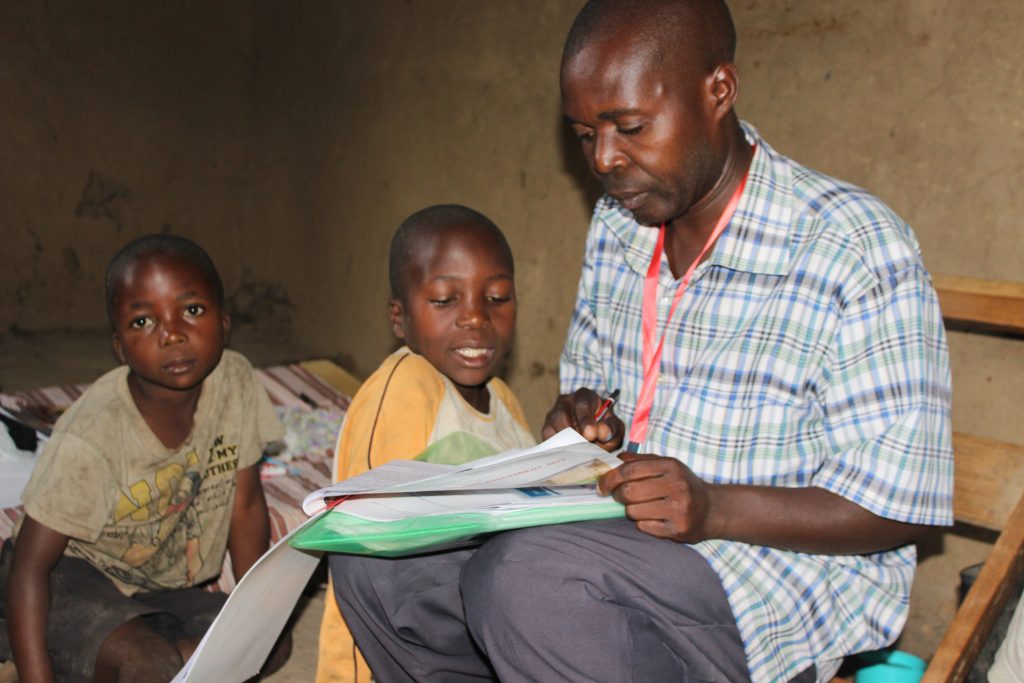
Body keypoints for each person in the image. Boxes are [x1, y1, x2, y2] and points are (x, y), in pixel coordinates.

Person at [328, 1, 954, 681]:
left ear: (719, 90)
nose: (603, 158)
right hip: (607, 544)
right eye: (582, 134)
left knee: (530, 581)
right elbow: (593, 404)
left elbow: (900, 507)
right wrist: (580, 421)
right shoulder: (621, 225)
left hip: (763, 581)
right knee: (375, 558)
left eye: (629, 127)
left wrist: (716, 505)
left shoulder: (851, 247)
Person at [0, 234, 286, 682]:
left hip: (156, 589)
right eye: (142, 322)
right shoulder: (96, 431)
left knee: (269, 639)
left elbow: (246, 507)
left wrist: (252, 610)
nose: (172, 334)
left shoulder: (237, 383)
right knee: (148, 662)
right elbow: (28, 568)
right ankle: (46, 654)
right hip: (68, 577)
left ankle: (97, 659)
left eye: (192, 311)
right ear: (119, 348)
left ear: (225, 322)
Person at [316, 204, 535, 683]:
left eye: (496, 297)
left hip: (487, 618)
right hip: (421, 642)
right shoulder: (406, 387)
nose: (476, 318)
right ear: (400, 318)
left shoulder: (505, 400)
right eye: (444, 300)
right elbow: (361, 558)